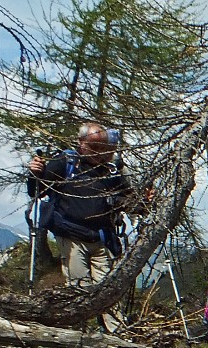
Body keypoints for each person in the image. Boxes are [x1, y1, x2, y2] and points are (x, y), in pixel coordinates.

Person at [26, 122, 145, 333]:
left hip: (102, 238)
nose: (99, 153)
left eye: (103, 148)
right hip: (71, 236)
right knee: (80, 289)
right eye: (94, 147)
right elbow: (38, 190)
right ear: (81, 143)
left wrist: (143, 201)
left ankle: (115, 336)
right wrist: (35, 173)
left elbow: (128, 203)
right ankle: (78, 336)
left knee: (109, 291)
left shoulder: (110, 171)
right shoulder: (66, 161)